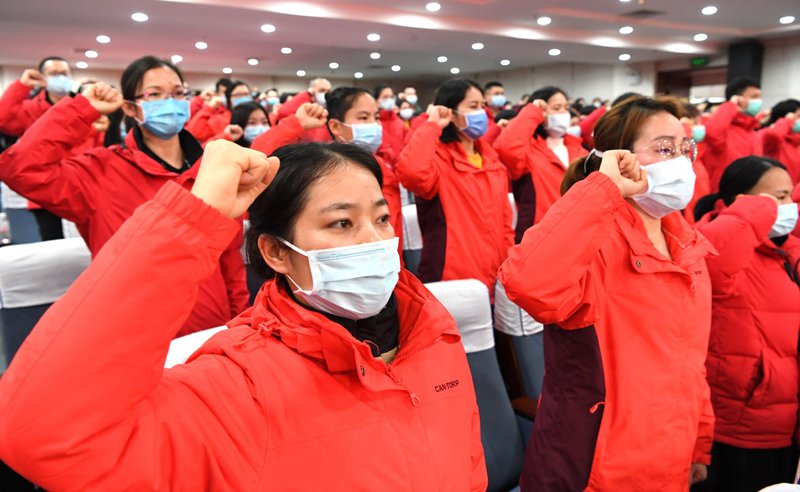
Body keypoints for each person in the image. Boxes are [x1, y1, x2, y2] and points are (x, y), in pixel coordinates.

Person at [0, 139, 487, 491]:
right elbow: (44, 434)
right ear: (277, 253)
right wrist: (193, 220)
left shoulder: (432, 333)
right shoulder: (236, 385)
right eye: (341, 223)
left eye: (381, 218)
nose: (375, 241)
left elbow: (465, 464)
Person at [499, 96, 715, 490]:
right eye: (664, 149)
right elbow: (527, 284)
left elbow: (691, 361)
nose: (681, 162)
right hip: (596, 464)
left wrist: (698, 440)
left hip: (671, 449)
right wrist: (602, 188)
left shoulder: (688, 245)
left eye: (685, 148)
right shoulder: (594, 240)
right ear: (619, 159)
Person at [0, 55, 248, 336]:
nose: (170, 102)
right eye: (154, 94)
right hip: (135, 334)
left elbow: (230, 260)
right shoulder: (100, 172)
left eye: (178, 93)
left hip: (208, 331)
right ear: (130, 107)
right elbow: (20, 168)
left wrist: (236, 326)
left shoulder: (210, 172)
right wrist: (82, 109)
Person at [692, 156, 800, 492]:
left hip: (787, 424)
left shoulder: (789, 251)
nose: (789, 206)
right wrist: (750, 214)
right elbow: (712, 259)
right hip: (741, 427)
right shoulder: (719, 248)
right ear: (742, 202)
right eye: (778, 197)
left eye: (790, 196)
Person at [395, 78, 513, 296]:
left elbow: (505, 222)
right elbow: (411, 174)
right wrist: (432, 126)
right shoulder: (437, 158)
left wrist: (508, 265)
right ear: (450, 111)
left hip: (495, 274)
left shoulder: (491, 159)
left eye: (482, 105)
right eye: (473, 106)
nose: (481, 113)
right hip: (451, 276)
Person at [494, 86, 588, 242]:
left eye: (566, 108)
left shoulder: (579, 150)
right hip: (539, 238)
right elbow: (507, 147)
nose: (563, 113)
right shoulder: (528, 151)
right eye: (556, 108)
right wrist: (532, 111)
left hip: (578, 235)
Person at [325, 86, 402, 250]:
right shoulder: (325, 173)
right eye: (363, 117)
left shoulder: (379, 163)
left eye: (376, 117)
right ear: (336, 126)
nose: (373, 124)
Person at [704, 77, 764, 191]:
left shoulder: (752, 131)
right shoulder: (725, 129)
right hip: (724, 194)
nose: (758, 101)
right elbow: (712, 133)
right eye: (754, 97)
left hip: (750, 192)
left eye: (759, 97)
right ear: (737, 99)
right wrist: (730, 106)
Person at [0, 56, 74, 136]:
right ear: (42, 77)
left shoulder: (80, 106)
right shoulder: (31, 109)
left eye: (64, 73)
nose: (61, 78)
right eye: (54, 73)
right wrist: (21, 86)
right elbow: (4, 121)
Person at [187, 80, 252, 144]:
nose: (243, 97)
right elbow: (195, 134)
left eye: (246, 94)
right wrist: (209, 108)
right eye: (238, 95)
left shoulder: (257, 114)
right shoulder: (220, 119)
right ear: (228, 98)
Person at [276, 77, 332, 142]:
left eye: (328, 91)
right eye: (322, 90)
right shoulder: (303, 108)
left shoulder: (329, 107)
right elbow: (283, 111)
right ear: (312, 91)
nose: (326, 94)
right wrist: (307, 94)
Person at [761, 99, 800, 184]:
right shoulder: (772, 138)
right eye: (798, 116)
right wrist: (787, 120)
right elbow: (775, 134)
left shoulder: (796, 142)